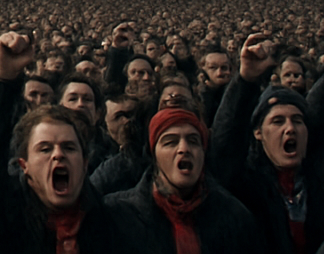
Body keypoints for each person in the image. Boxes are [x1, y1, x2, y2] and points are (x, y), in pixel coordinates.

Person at [210, 29, 324, 254]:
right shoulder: (244, 186)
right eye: (277, 121)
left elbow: (315, 113)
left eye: (297, 121)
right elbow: (226, 142)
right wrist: (245, 80)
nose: (289, 128)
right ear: (258, 132)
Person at [0, 30, 113, 253]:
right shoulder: (2, 218)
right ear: (24, 166)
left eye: (69, 147)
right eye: (44, 148)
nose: (58, 154)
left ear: (85, 162)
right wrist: (2, 80)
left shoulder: (111, 222)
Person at [103, 106, 260, 254]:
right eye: (170, 142)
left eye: (193, 141)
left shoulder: (234, 217)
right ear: (154, 156)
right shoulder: (117, 216)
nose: (184, 149)